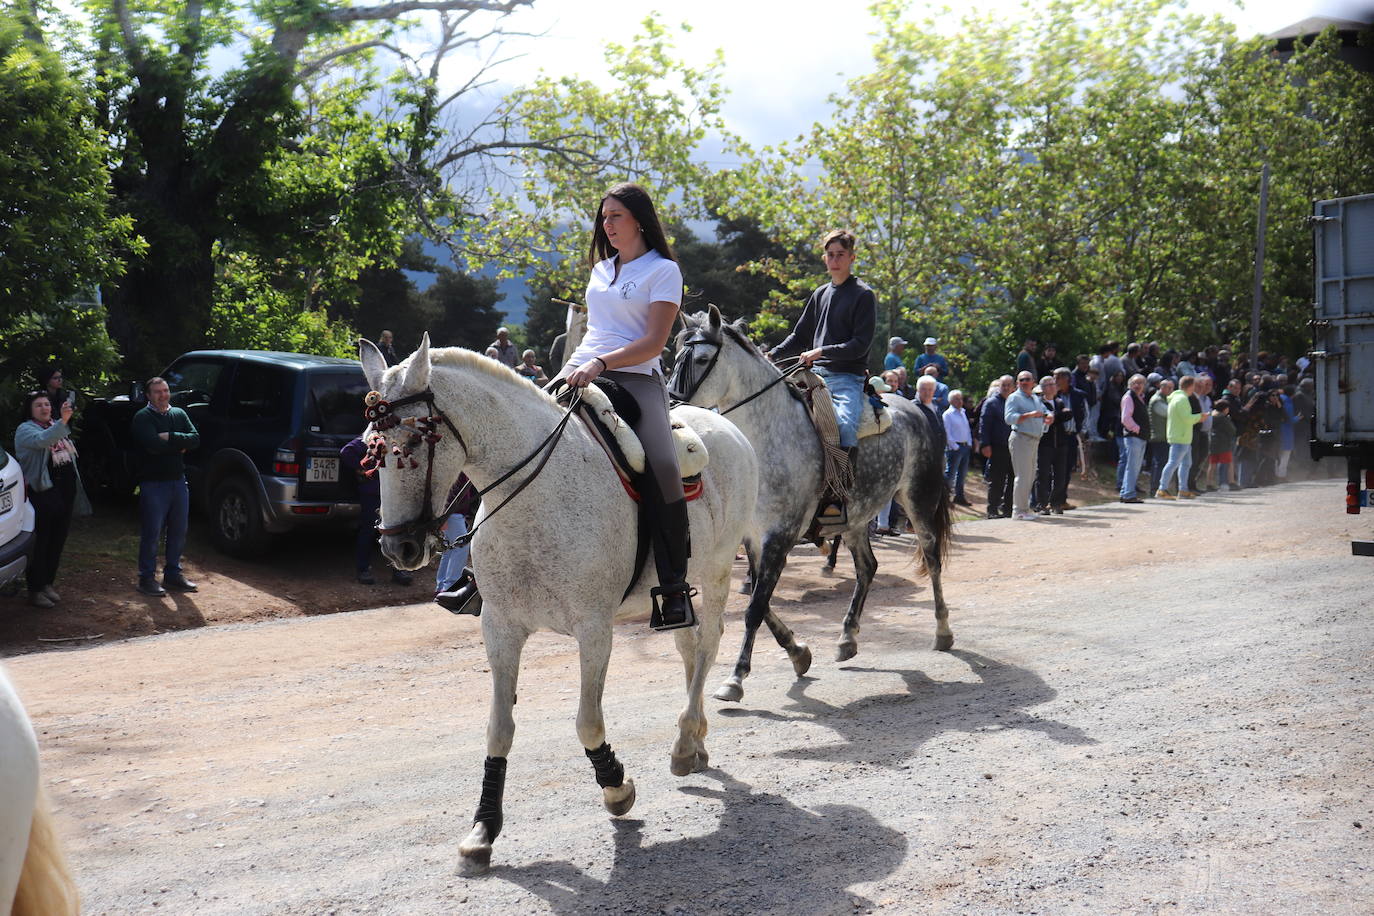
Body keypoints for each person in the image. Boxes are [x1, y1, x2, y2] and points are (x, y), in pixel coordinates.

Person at [554, 182, 699, 630]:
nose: (607, 224)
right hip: (581, 368)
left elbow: (653, 342)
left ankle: (674, 588)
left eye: (615, 215)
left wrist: (601, 363)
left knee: (661, 462)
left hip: (636, 377)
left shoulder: (664, 271)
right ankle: (480, 570)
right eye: (604, 217)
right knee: (521, 435)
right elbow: (595, 329)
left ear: (638, 218)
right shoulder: (600, 269)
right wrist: (575, 367)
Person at [768, 228, 877, 531]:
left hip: (846, 377)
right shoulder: (820, 293)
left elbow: (861, 344)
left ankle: (836, 498)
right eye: (830, 254)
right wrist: (771, 355)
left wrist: (821, 351)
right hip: (811, 374)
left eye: (840, 254)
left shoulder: (863, 295)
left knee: (842, 425)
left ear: (852, 257)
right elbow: (799, 335)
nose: (834, 259)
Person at [14, 391, 87, 607]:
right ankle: (35, 590)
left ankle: (47, 584)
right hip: (43, 492)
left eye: (47, 404)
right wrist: (64, 420)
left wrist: (61, 422)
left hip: (64, 489)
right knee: (42, 541)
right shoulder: (25, 429)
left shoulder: (56, 426)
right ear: (29, 410)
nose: (45, 408)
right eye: (39, 406)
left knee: (58, 539)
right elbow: (43, 441)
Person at [131, 377, 200, 596]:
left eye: (166, 390)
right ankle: (146, 578)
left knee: (179, 530)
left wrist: (170, 436)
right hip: (154, 483)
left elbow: (195, 439)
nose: (163, 395)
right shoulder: (142, 418)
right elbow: (152, 446)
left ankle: (173, 574)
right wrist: (179, 445)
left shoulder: (178, 414)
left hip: (178, 481)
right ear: (149, 395)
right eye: (157, 392)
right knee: (152, 532)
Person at [340, 434, 414, 587]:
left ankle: (398, 569)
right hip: (372, 493)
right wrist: (363, 468)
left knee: (396, 531)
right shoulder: (370, 439)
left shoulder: (397, 440)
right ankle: (363, 569)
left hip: (393, 494)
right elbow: (346, 452)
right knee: (368, 531)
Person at [1004, 370, 1048, 520]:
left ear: (1033, 382)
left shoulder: (1035, 398)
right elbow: (1009, 418)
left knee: (1030, 476)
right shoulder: (1014, 398)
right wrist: (1029, 415)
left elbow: (1044, 412)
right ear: (1017, 383)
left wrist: (1049, 417)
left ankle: (1024, 509)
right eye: (1021, 380)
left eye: (1027, 379)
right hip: (1021, 439)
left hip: (1034, 440)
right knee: (1022, 476)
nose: (1024, 382)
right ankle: (1018, 511)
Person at [1156, 375, 1201, 499]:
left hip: (1183, 437)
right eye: (1194, 386)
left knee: (1186, 463)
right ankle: (1162, 489)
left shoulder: (1178, 398)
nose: (1195, 388)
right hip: (1180, 437)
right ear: (1190, 386)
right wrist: (1199, 417)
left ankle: (1183, 490)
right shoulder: (1181, 399)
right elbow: (1186, 418)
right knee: (1173, 463)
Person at [980, 376, 1015, 519]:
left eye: (1008, 385)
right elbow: (984, 425)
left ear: (1013, 387)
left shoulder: (1015, 402)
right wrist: (985, 444)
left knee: (1013, 479)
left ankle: (1008, 509)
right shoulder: (991, 403)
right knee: (997, 480)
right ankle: (992, 510)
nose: (1006, 388)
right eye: (1003, 385)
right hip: (997, 446)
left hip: (1014, 447)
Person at [1118, 373, 1150, 503]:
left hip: (1140, 437)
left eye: (1141, 383)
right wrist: (1138, 429)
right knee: (1133, 466)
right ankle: (1129, 494)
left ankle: (1125, 492)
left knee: (1134, 466)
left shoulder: (1139, 397)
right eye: (1135, 383)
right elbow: (1125, 418)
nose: (1138, 385)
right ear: (1130, 384)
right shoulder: (1129, 397)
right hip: (1133, 437)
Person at [942, 390, 973, 508]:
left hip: (965, 447)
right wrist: (954, 447)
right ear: (951, 401)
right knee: (950, 474)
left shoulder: (963, 412)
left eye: (961, 399)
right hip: (955, 448)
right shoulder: (948, 414)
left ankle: (959, 497)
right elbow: (947, 432)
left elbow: (966, 429)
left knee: (962, 474)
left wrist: (969, 443)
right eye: (957, 399)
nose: (960, 401)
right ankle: (945, 498)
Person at [1147, 378, 1174, 494]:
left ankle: (1160, 488)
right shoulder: (1157, 400)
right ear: (1162, 388)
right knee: (1159, 463)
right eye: (1170, 388)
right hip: (1159, 437)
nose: (1172, 391)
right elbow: (1169, 413)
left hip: (1163, 436)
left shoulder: (1164, 399)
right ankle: (1155, 488)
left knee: (1162, 462)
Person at [1207, 400, 1237, 491]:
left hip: (1213, 443)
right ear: (1224, 409)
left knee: (1212, 464)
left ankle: (1209, 484)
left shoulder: (1212, 415)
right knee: (1229, 463)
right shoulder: (1223, 418)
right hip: (1223, 443)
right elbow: (1232, 430)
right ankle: (1231, 482)